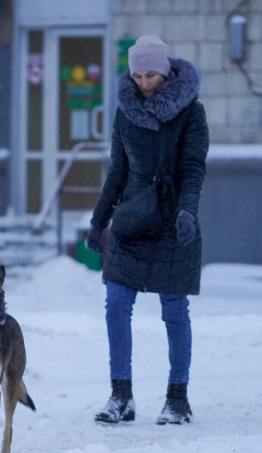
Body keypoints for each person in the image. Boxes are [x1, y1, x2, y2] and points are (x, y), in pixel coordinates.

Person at [85, 35, 209, 425]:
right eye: (137, 75)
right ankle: (121, 395)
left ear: (166, 71)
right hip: (134, 218)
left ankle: (178, 399)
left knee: (174, 309)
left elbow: (193, 168)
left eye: (150, 74)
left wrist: (188, 210)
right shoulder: (126, 113)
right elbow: (117, 173)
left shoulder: (192, 112)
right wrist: (98, 220)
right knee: (116, 304)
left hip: (174, 219)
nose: (143, 82)